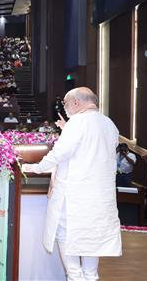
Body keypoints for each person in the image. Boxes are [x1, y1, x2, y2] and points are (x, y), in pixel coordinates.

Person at [22, 87, 121, 281]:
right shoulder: (109, 124)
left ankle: (75, 277)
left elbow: (60, 154)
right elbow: (91, 151)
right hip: (99, 194)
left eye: (65, 103)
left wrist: (36, 168)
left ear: (76, 102)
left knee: (65, 234)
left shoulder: (78, 122)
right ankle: (90, 277)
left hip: (74, 193)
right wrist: (67, 129)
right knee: (92, 237)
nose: (64, 107)